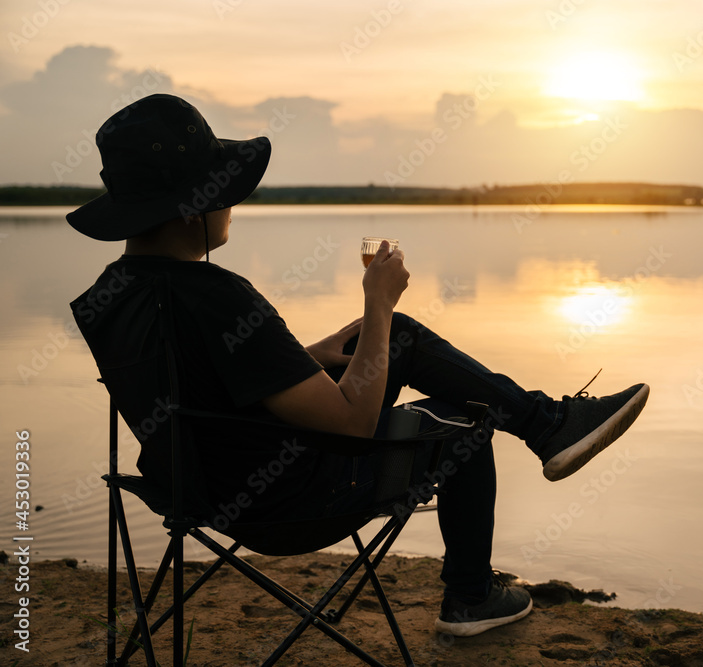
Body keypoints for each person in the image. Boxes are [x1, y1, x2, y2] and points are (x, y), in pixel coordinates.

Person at [68, 94, 649, 637]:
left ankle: (546, 425)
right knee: (466, 421)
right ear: (193, 204)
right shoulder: (219, 295)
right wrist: (377, 304)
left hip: (200, 490)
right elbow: (351, 424)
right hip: (293, 503)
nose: (231, 203)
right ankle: (473, 589)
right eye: (224, 189)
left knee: (395, 339)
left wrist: (313, 354)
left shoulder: (108, 298)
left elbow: (202, 383)